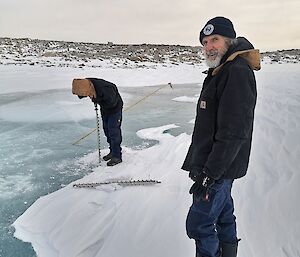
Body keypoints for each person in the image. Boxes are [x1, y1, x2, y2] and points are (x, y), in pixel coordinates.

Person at [181, 17, 260, 257]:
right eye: (205, 42)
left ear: (229, 40)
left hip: (217, 169)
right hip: (217, 166)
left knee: (199, 223)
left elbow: (234, 132)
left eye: (215, 39)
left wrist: (209, 175)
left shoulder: (235, 72)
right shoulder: (222, 70)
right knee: (223, 214)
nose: (209, 46)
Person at [73, 78, 123, 166]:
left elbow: (112, 103)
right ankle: (112, 151)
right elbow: (82, 94)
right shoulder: (85, 84)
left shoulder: (106, 89)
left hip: (115, 109)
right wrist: (93, 97)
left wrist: (96, 99)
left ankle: (117, 156)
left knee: (113, 131)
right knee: (106, 130)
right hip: (105, 109)